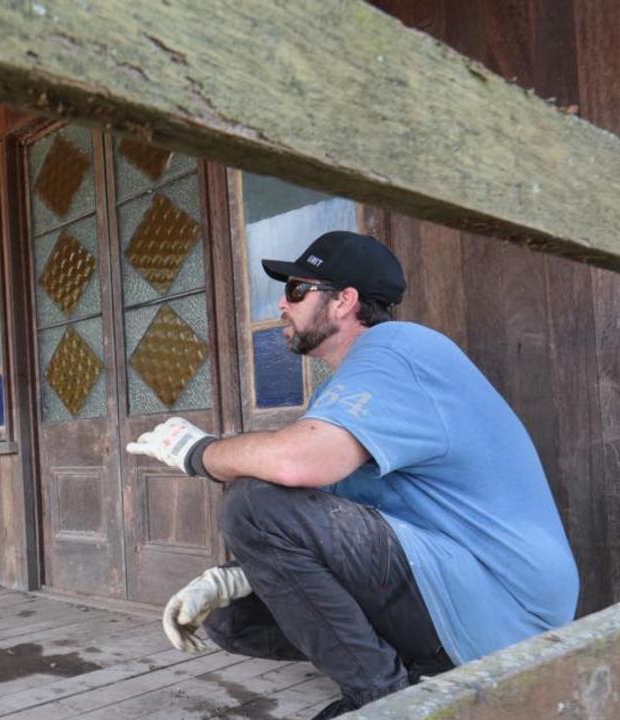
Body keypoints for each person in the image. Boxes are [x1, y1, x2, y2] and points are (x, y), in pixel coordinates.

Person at [127, 231, 578, 719]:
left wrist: (200, 452)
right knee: (233, 622)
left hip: (506, 607)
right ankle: (419, 674)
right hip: (453, 582)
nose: (282, 303)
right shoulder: (351, 389)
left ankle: (380, 702)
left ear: (344, 301)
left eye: (298, 289)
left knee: (253, 505)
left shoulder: (397, 348)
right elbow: (330, 510)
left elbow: (297, 464)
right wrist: (234, 577)